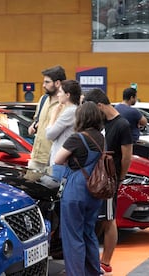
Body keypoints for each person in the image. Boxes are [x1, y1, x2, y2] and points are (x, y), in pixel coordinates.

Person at [83, 88, 133, 275]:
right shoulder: (101, 123)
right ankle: (96, 259)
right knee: (99, 219)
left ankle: (106, 261)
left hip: (110, 179)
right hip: (97, 178)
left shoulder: (122, 125)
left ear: (99, 106)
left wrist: (120, 178)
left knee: (109, 220)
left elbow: (127, 156)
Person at [54, 101, 105, 276]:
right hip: (95, 190)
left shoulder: (77, 138)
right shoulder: (101, 138)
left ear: (80, 118)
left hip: (76, 189)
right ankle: (93, 271)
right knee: (89, 233)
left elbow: (58, 160)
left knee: (73, 237)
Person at [28, 65, 66, 173]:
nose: (43, 85)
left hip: (53, 160)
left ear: (57, 83)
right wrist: (33, 126)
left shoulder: (65, 104)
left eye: (47, 82)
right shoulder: (43, 99)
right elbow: (37, 120)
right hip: (36, 158)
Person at [46, 80, 81, 171]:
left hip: (61, 163)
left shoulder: (70, 111)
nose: (58, 94)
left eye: (60, 91)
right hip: (64, 161)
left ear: (68, 95)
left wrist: (53, 115)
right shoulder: (74, 110)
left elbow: (49, 134)